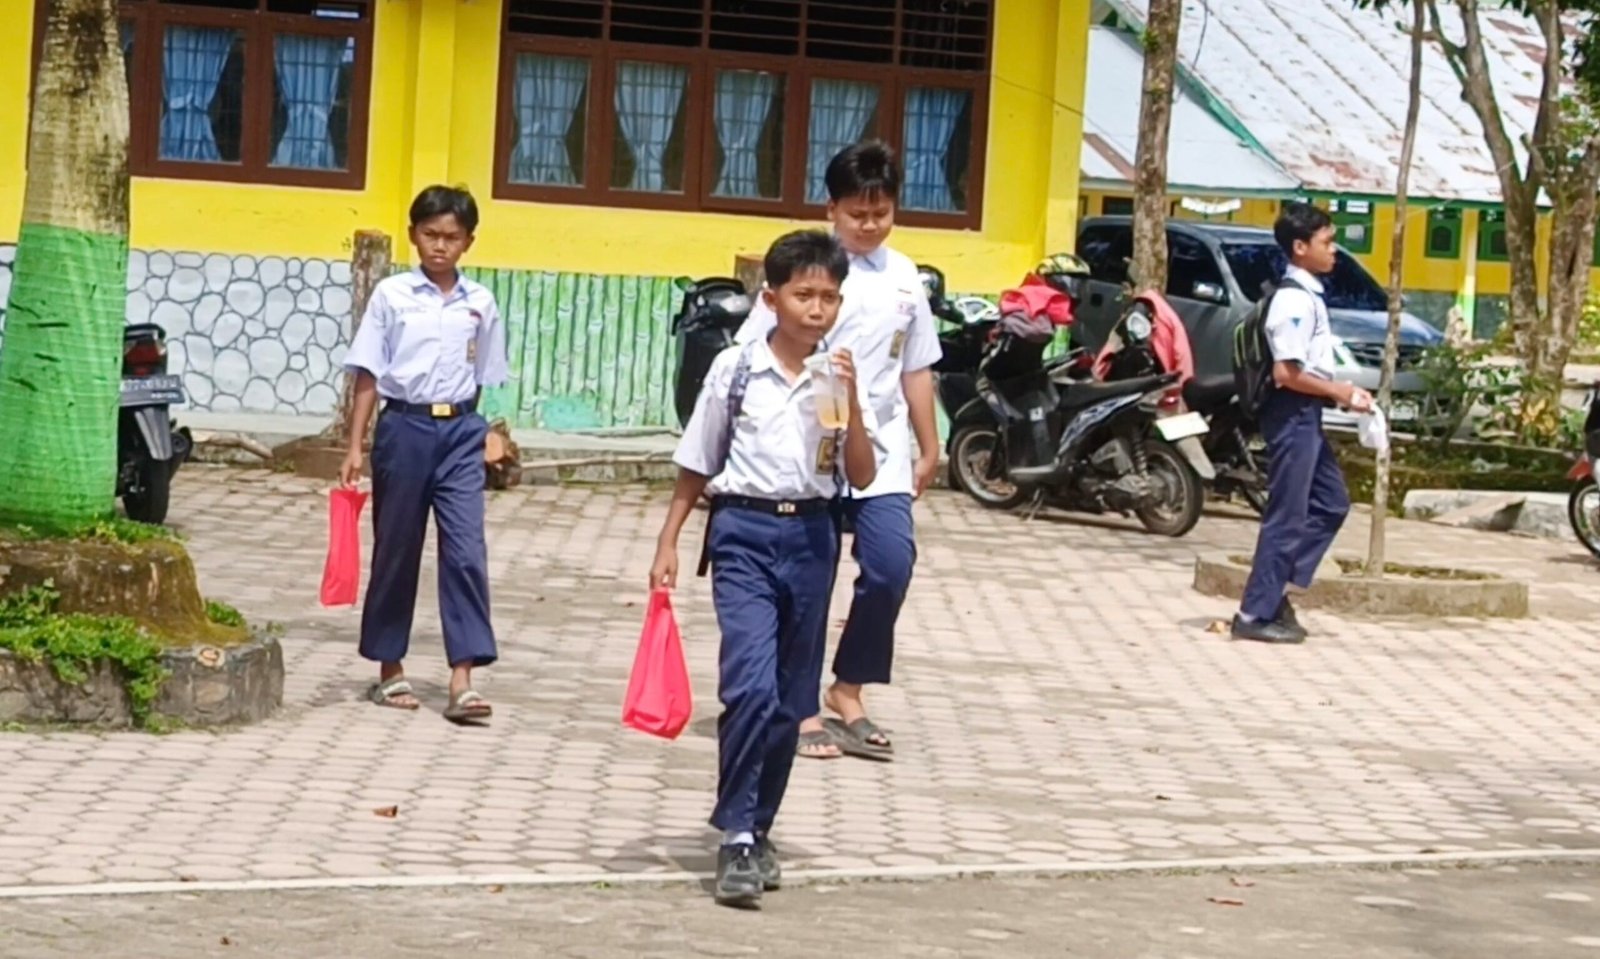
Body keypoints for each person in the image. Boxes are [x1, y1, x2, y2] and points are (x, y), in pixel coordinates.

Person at [650, 230, 878, 908]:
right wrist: (669, 539)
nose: (817, 308)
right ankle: (738, 835)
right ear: (771, 297)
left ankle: (760, 822)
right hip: (744, 532)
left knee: (789, 700)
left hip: (811, 536)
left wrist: (855, 403)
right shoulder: (736, 369)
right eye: (804, 294)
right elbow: (699, 457)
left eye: (829, 297)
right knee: (747, 687)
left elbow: (859, 472)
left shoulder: (836, 374)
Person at [735, 141, 940, 762]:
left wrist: (931, 447)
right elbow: (752, 355)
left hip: (880, 451)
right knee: (808, 581)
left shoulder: (906, 277)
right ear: (833, 208)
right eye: (858, 214)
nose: (870, 225)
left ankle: (848, 687)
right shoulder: (809, 270)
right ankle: (797, 708)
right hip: (809, 453)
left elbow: (917, 366)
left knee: (889, 567)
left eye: (881, 213)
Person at [339, 185, 508, 720]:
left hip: (460, 432)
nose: (440, 246)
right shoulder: (392, 296)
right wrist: (355, 445)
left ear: (468, 243)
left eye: (451, 238)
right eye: (430, 235)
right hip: (404, 431)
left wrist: (487, 432)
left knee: (465, 551)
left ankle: (463, 678)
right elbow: (368, 370)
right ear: (413, 235)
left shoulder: (480, 303)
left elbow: (485, 376)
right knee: (397, 548)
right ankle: (390, 669)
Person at [1233, 203, 1372, 644]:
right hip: (1290, 411)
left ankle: (1277, 590)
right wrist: (1340, 392)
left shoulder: (1309, 295)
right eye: (1326, 242)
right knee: (1287, 515)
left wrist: (1340, 393)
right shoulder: (1293, 300)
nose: (1334, 251)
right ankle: (1255, 613)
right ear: (1300, 247)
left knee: (1331, 503)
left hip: (1306, 413)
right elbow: (1285, 373)